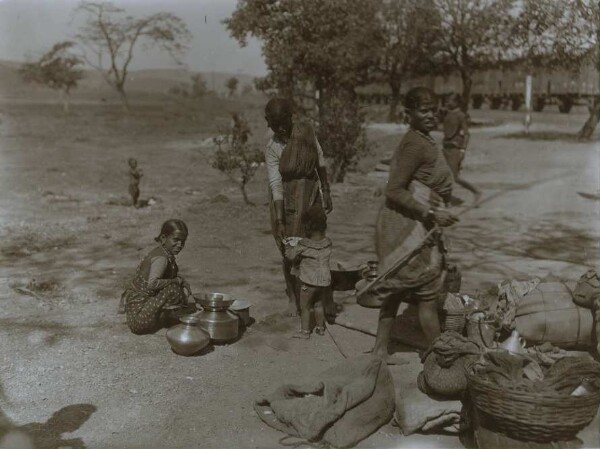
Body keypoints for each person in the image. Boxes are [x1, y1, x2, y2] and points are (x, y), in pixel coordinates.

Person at [358, 87, 459, 364]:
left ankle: (379, 351)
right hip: (406, 227)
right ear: (409, 114)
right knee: (427, 294)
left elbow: (425, 181)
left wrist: (444, 201)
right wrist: (431, 212)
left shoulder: (422, 139)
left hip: (411, 223)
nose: (430, 115)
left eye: (433, 108)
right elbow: (394, 190)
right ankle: (443, 357)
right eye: (423, 110)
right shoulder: (414, 144)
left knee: (395, 288)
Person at [264, 99, 333, 316]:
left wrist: (326, 190)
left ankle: (323, 299)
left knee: (317, 247)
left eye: (283, 122)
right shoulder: (272, 147)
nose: (281, 128)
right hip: (286, 200)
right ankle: (293, 299)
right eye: (275, 124)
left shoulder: (306, 133)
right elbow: (276, 184)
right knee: (289, 251)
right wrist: (280, 219)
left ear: (291, 117)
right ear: (269, 123)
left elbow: (320, 161)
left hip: (312, 194)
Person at [118, 219, 192, 334]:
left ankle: (164, 317)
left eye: (183, 241)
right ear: (163, 238)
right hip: (139, 320)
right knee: (174, 289)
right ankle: (165, 319)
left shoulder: (164, 253)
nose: (180, 245)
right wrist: (176, 281)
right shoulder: (161, 258)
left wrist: (180, 280)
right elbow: (152, 284)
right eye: (176, 240)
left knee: (176, 285)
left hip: (140, 312)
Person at [284, 205, 332, 339]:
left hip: (308, 282)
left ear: (307, 228)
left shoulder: (303, 244)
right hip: (323, 282)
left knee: (305, 307)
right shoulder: (328, 243)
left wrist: (288, 246)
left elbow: (291, 256)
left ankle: (305, 332)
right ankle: (321, 328)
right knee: (318, 304)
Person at [442, 93, 482, 205]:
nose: (447, 103)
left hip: (454, 149)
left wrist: (463, 150)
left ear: (456, 102)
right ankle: (446, 200)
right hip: (445, 147)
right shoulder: (447, 113)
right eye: (446, 100)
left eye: (449, 101)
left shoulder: (460, 115)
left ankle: (476, 191)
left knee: (455, 177)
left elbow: (467, 134)